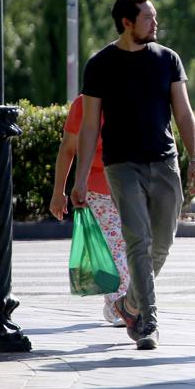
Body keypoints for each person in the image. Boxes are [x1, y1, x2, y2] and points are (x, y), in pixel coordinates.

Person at [71, 0, 195, 351]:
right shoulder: (100, 64)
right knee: (138, 242)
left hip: (164, 162)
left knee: (162, 243)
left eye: (154, 16)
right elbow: (89, 126)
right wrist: (80, 178)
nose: (155, 23)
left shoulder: (167, 59)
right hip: (121, 165)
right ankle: (148, 322)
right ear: (127, 23)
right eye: (148, 17)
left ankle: (129, 304)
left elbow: (184, 113)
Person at [50, 95, 131, 327]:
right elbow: (68, 149)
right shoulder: (83, 104)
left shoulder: (136, 92)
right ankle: (119, 302)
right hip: (98, 189)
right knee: (116, 248)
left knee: (137, 247)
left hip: (137, 185)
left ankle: (129, 301)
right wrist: (59, 192)